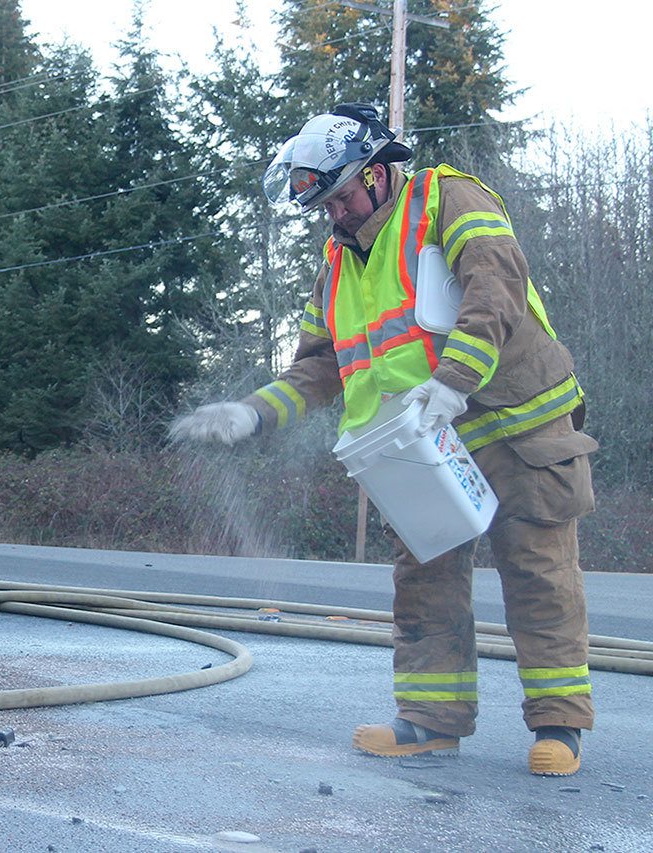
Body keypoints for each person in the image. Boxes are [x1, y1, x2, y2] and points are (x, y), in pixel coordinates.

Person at [171, 103, 598, 777]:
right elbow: (317, 366)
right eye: (324, 208)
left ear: (374, 175)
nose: (333, 216)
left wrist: (454, 380)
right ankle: (432, 720)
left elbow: (496, 290)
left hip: (517, 423)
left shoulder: (446, 199)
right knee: (424, 580)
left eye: (339, 199)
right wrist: (253, 413)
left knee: (538, 571)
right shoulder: (337, 263)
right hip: (420, 442)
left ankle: (559, 726)